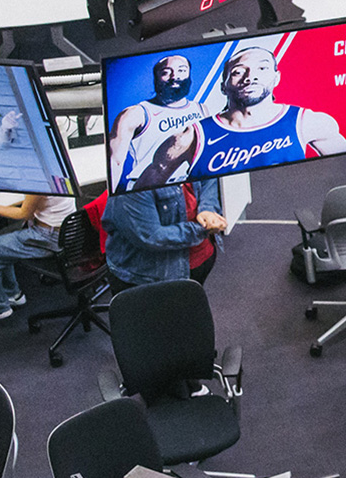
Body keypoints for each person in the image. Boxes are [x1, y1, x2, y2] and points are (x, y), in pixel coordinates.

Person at [134, 47, 346, 189]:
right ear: (223, 86)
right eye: (237, 72)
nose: (250, 77)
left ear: (276, 78)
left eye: (262, 68)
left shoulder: (310, 122)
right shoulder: (189, 138)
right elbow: (141, 194)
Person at [0, 192, 80, 326]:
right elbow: (16, 182)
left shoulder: (37, 179)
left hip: (47, 237)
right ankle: (13, 295)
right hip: (65, 230)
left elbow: (23, 214)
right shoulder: (52, 171)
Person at [102, 179, 227, 293]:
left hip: (199, 258)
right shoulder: (132, 180)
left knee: (188, 312)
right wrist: (203, 229)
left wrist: (208, 210)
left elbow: (207, 177)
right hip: (148, 276)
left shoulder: (191, 156)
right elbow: (151, 236)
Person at [108, 54, 207, 192]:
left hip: (191, 189)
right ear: (156, 79)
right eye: (166, 72)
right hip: (148, 191)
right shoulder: (136, 114)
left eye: (181, 70)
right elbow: (114, 163)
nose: (174, 77)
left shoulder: (201, 109)